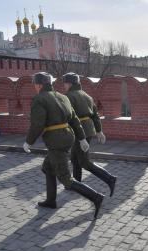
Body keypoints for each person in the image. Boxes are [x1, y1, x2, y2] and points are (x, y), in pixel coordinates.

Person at [23, 72, 104, 220]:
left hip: (56, 141)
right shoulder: (62, 96)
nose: (34, 87)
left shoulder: (39, 99)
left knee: (66, 179)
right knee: (47, 167)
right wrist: (81, 139)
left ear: (40, 84)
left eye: (35, 84)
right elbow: (74, 120)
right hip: (68, 137)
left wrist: (28, 141)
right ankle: (51, 200)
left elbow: (37, 124)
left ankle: (96, 197)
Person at [62, 72, 117, 197]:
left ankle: (110, 179)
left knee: (84, 162)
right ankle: (76, 183)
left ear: (70, 83)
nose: (64, 85)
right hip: (89, 130)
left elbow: (66, 116)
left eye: (65, 83)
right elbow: (95, 116)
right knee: (75, 158)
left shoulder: (68, 96)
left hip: (78, 131)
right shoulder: (87, 96)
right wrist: (99, 131)